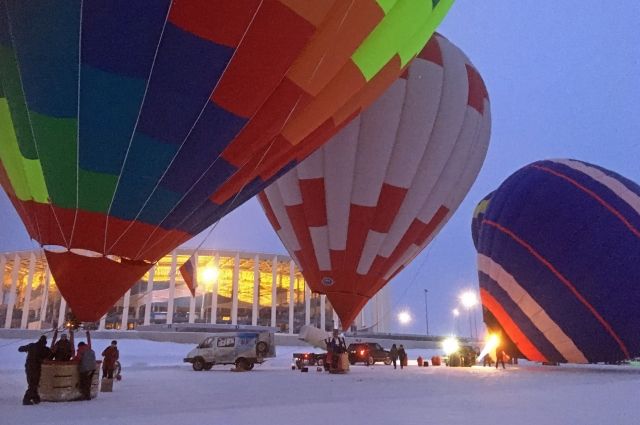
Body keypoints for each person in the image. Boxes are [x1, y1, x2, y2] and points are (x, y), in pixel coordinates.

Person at [18, 335, 51, 405]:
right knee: (34, 383)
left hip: (29, 367)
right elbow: (50, 355)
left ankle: (35, 397)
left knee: (32, 383)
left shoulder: (32, 345)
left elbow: (20, 349)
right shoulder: (45, 349)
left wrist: (26, 349)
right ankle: (26, 399)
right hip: (36, 368)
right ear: (45, 342)